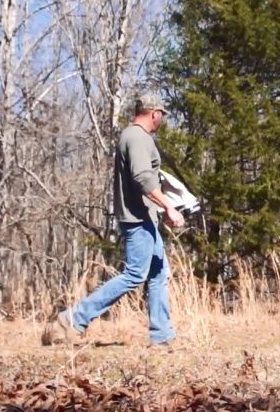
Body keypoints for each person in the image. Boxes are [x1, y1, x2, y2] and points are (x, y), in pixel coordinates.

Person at [42, 94, 186, 348]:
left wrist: (159, 209)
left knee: (157, 273)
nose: (161, 119)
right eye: (161, 115)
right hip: (137, 220)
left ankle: (162, 336)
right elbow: (143, 177)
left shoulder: (134, 137)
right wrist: (169, 207)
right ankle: (70, 320)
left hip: (145, 218)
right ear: (154, 113)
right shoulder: (137, 138)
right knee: (134, 274)